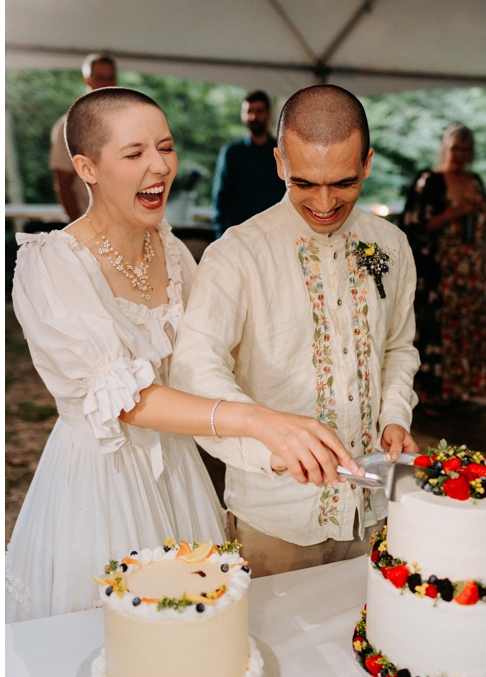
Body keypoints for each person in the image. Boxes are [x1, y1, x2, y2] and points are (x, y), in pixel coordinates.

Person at [6, 87, 358, 622]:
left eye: (165, 147)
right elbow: (125, 400)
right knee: (111, 641)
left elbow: (209, 363)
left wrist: (282, 431)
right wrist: (257, 421)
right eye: (134, 153)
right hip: (98, 483)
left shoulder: (173, 251)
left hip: (177, 472)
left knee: (190, 641)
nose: (159, 166)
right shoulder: (50, 264)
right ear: (87, 167)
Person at [173, 84, 421, 578]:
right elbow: (194, 372)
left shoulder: (390, 245)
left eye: (344, 183)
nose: (325, 203)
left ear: (367, 163)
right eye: (304, 183)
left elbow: (397, 346)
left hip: (376, 508)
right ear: (280, 163)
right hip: (274, 519)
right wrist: (271, 444)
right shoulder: (235, 255)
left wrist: (395, 415)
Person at [400, 122, 486, 412]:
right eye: (455, 148)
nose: (460, 154)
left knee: (467, 328)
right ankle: (433, 395)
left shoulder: (475, 181)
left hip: (471, 269)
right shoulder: (430, 180)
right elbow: (414, 225)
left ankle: (463, 390)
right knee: (439, 330)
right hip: (440, 270)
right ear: (444, 148)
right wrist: (455, 213)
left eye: (466, 149)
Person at [48, 53, 117, 222]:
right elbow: (63, 184)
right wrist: (79, 228)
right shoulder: (69, 126)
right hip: (92, 223)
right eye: (100, 77)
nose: (106, 83)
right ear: (87, 80)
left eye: (111, 77)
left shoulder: (124, 120)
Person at [211, 90, 286, 237]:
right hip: (240, 237)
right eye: (248, 111)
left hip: (276, 235)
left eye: (259, 111)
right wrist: (222, 239)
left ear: (269, 114)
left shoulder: (282, 151)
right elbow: (220, 201)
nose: (253, 117)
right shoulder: (231, 153)